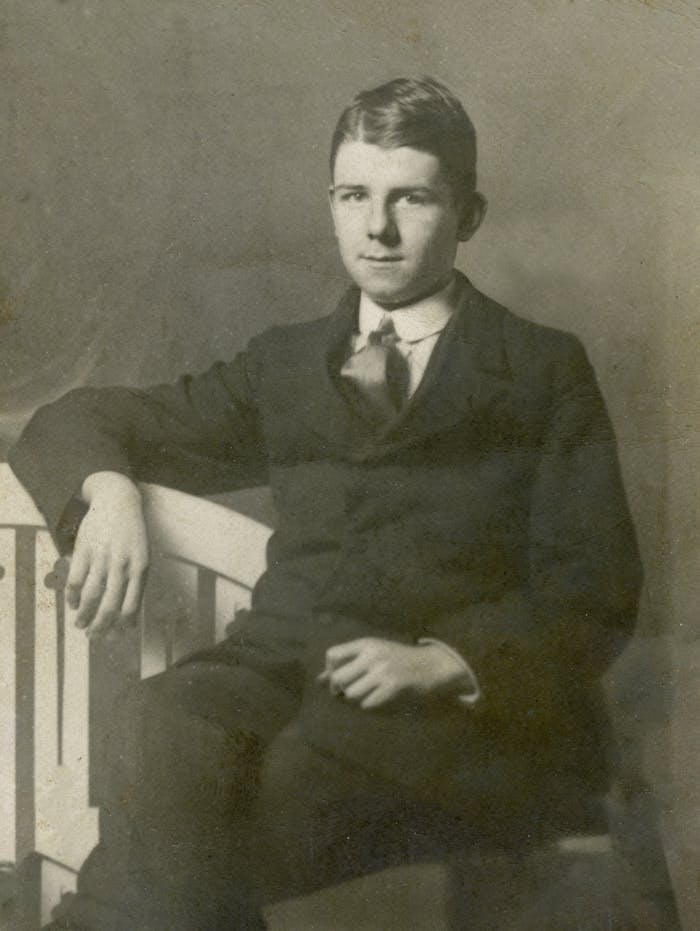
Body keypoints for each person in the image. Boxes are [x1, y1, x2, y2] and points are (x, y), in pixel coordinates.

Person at [10, 76, 642, 930]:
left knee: (193, 830)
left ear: (469, 214)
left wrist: (446, 659)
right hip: (277, 672)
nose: (377, 227)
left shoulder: (539, 368)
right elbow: (74, 419)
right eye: (354, 196)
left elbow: (595, 588)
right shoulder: (287, 363)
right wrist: (108, 491)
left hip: (452, 715)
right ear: (332, 204)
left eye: (411, 197)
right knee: (159, 721)